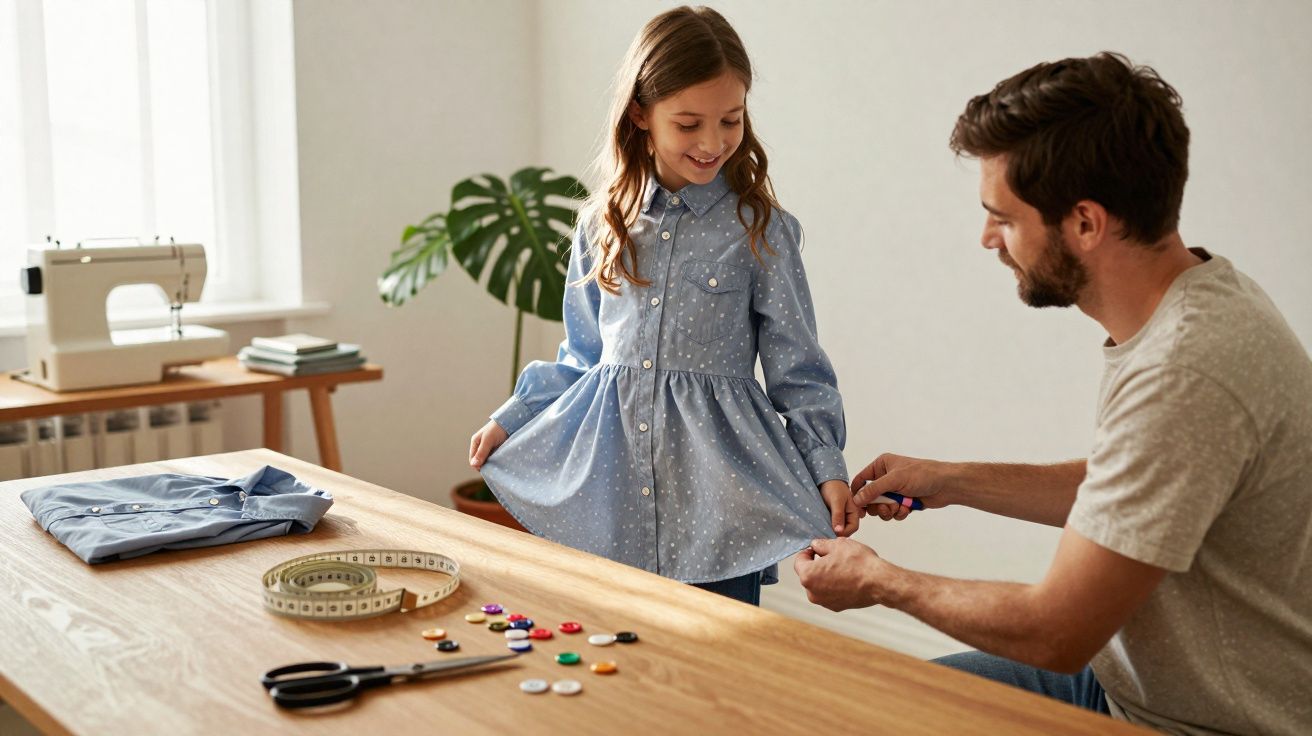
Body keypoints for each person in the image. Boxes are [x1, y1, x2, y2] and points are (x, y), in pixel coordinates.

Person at [795, 52, 1312, 734]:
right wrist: (950, 480)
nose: (987, 239)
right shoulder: (1204, 298)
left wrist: (879, 581)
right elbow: (1133, 493)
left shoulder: (1186, 374)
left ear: (1086, 224)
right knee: (857, 706)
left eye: (1003, 218)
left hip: (1192, 722)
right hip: (1123, 684)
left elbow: (1054, 633)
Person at [468, 5, 859, 606]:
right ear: (640, 114)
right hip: (612, 490)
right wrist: (514, 416)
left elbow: (798, 370)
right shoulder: (603, 225)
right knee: (618, 648)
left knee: (717, 657)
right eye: (688, 124)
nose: (713, 142)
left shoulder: (760, 230)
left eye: (730, 120)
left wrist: (826, 464)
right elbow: (582, 355)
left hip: (720, 500)